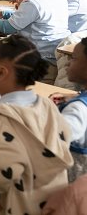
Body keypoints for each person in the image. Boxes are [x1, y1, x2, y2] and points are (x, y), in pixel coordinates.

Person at [0, 35, 72, 214]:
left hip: (18, 204)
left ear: (1, 72)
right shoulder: (45, 103)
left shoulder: (2, 117)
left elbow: (5, 167)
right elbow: (64, 136)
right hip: (50, 198)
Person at [50, 38, 87, 182]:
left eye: (74, 58)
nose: (67, 63)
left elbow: (51, 138)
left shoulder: (77, 110)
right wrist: (75, 96)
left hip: (71, 185)